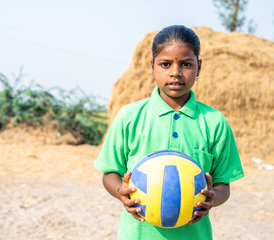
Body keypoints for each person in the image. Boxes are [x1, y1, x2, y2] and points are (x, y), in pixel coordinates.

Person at [94, 25, 244, 240]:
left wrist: (212, 198)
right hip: (137, 235)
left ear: (198, 67)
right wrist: (120, 192)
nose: (176, 72)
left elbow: (223, 185)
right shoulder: (129, 117)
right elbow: (110, 173)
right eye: (165, 64)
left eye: (186, 64)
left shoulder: (214, 122)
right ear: (152, 66)